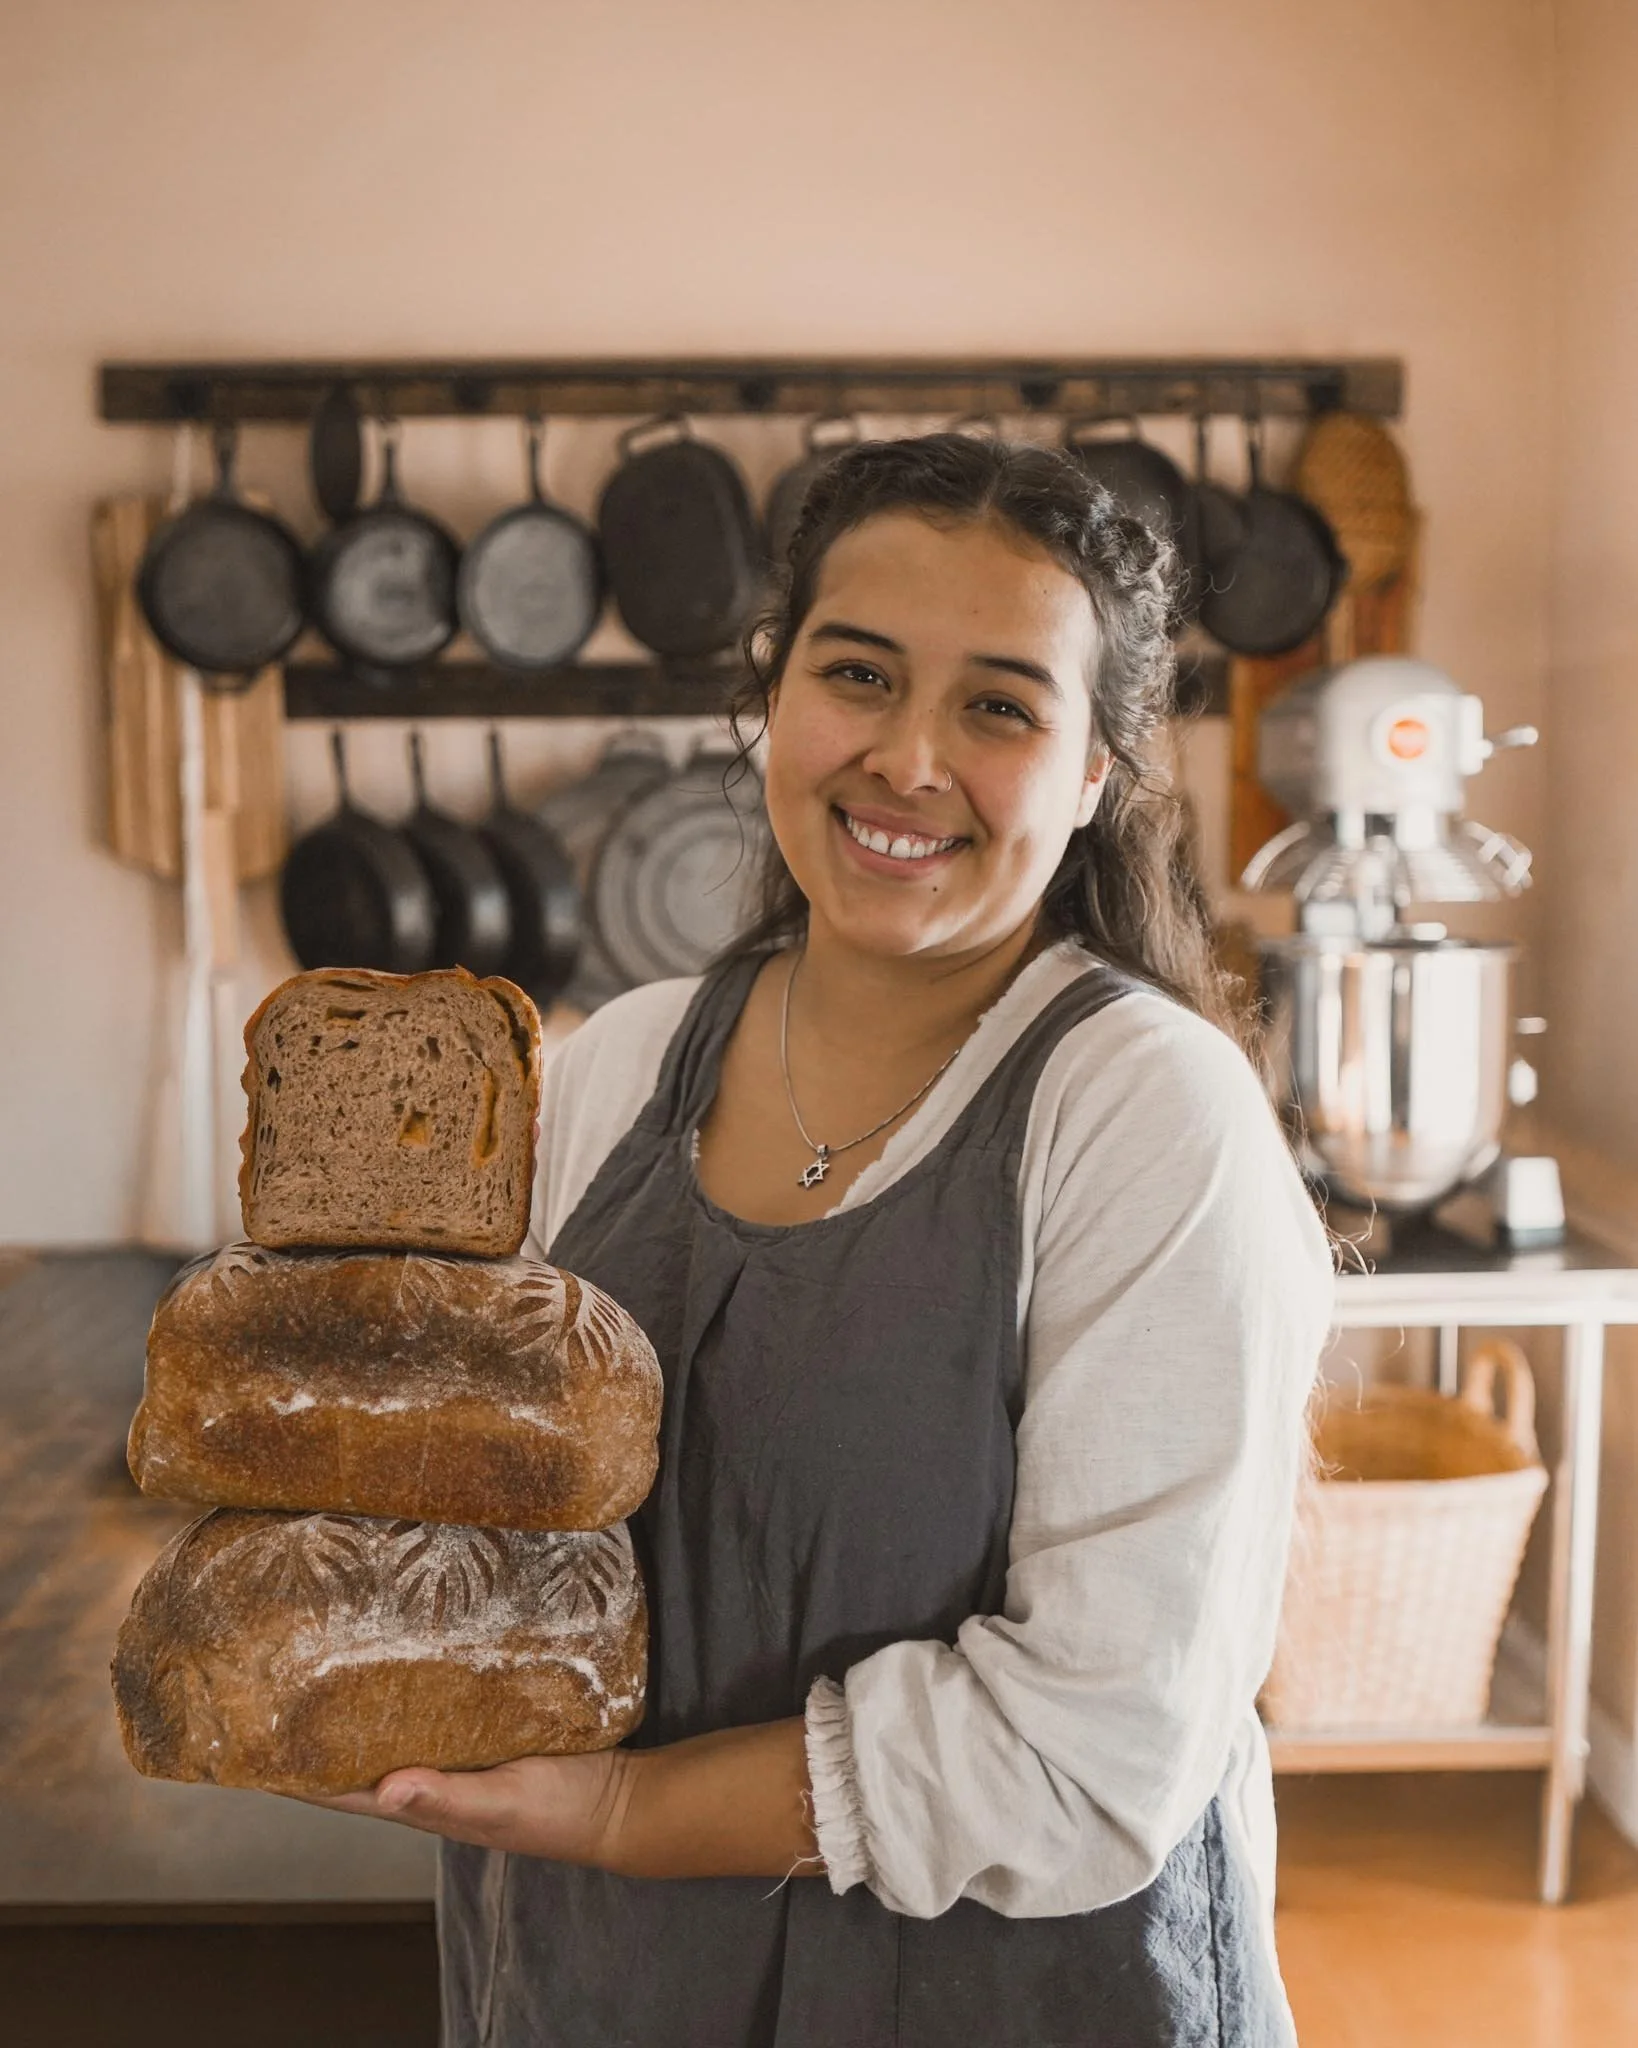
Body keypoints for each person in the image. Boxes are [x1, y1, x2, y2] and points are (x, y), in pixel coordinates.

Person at [318, 432, 1335, 2045]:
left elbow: (1094, 1751)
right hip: (604, 1984)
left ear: (1089, 775)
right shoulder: (616, 1064)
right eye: (857, 672)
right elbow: (496, 1518)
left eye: (999, 704)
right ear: (770, 695)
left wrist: (621, 1817)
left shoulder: (1143, 1115)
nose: (908, 758)